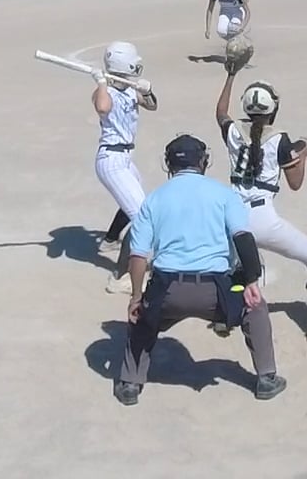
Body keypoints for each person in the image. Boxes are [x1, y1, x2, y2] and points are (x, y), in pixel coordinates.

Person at [114, 133, 286, 406]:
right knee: (255, 308)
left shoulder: (154, 200)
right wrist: (251, 281)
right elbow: (243, 238)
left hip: (167, 291)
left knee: (141, 317)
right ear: (204, 161)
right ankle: (267, 378)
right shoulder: (224, 194)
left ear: (168, 164)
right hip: (216, 292)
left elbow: (137, 256)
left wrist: (136, 297)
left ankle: (130, 384)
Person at [214, 72, 307, 341]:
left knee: (240, 264)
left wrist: (230, 75)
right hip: (263, 218)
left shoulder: (233, 131)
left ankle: (225, 315)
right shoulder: (280, 140)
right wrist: (303, 154)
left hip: (232, 217)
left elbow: (221, 113)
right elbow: (295, 183)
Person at [91, 42, 158, 294]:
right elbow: (102, 107)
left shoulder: (130, 89)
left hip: (126, 158)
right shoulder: (104, 92)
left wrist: (148, 91)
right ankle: (121, 277)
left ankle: (110, 240)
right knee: (142, 217)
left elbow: (152, 105)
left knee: (135, 201)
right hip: (111, 159)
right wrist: (101, 83)